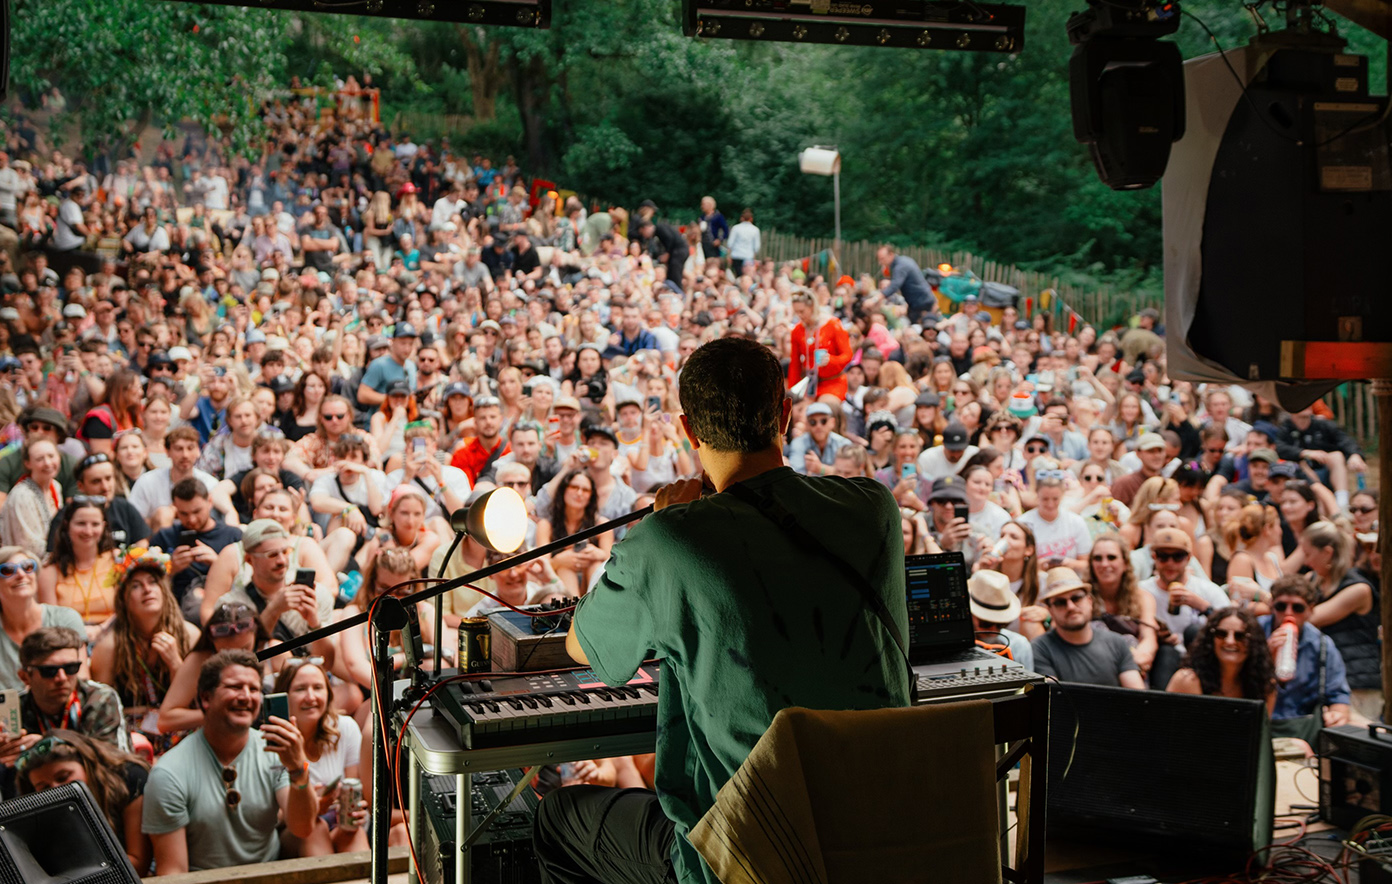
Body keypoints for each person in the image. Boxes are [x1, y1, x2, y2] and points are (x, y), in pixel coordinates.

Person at [535, 338, 911, 883]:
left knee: (557, 817)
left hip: (741, 853)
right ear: (785, 414)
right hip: (880, 835)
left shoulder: (670, 539)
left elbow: (587, 651)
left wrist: (663, 524)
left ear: (688, 431)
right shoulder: (875, 507)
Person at [141, 649, 318, 874]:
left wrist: (298, 768)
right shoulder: (169, 773)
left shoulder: (275, 751)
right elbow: (173, 870)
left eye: (254, 689)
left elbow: (303, 828)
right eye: (235, 687)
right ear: (206, 698)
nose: (246, 696)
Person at [90, 548, 199, 753]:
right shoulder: (109, 648)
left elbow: (200, 701)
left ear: (164, 590)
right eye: (136, 586)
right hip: (130, 738)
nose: (147, 590)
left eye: (153, 582)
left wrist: (175, 663)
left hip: (181, 729)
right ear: (124, 600)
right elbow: (100, 709)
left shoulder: (190, 635)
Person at [15, 729, 152, 871]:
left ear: (86, 764)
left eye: (63, 777)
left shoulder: (129, 778)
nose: (56, 790)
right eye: (44, 787)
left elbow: (138, 862)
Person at [270, 658, 367, 855]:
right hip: (295, 831)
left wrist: (355, 808)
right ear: (284, 696)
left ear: (328, 693)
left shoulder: (345, 728)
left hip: (338, 824)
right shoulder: (273, 740)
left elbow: (352, 786)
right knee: (316, 829)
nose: (311, 697)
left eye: (318, 687)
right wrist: (309, 804)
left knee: (353, 832)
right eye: (300, 689)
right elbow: (272, 815)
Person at [1300, 521, 1380, 719]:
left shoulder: (1358, 589)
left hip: (1357, 682)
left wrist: (1261, 595)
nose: (1305, 561)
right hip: (1324, 680)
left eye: (1308, 554)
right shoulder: (1312, 580)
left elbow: (1311, 618)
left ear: (1327, 552)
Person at [157, 602, 269, 738]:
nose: (237, 661)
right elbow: (166, 720)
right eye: (225, 653)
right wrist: (218, 712)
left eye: (245, 649)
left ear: (256, 633)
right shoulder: (200, 660)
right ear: (212, 640)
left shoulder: (274, 652)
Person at [1261, 575, 1355, 737]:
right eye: (1281, 606)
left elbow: (1338, 695)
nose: (1288, 613)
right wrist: (1265, 655)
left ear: (1310, 610)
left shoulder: (1322, 645)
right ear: (1271, 606)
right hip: (1260, 723)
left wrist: (1337, 714)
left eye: (1297, 608)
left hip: (1303, 728)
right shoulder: (1255, 632)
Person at [10, 628, 128, 753]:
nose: (62, 678)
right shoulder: (14, 709)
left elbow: (113, 759)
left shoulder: (100, 698)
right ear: (25, 677)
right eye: (49, 671)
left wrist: (44, 746)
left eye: (71, 668)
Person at [1029, 567, 1145, 688]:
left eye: (1076, 598)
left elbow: (1138, 697)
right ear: (1050, 611)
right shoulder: (1040, 648)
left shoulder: (1117, 643)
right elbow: (1052, 698)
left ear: (1090, 601)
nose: (1071, 607)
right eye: (1060, 602)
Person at [148, 479, 243, 613]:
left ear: (209, 502)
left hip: (224, 609)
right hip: (175, 609)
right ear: (175, 508)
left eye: (197, 511)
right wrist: (171, 569)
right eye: (184, 514)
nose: (191, 519)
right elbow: (148, 581)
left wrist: (220, 566)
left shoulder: (232, 536)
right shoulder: (164, 537)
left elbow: (247, 581)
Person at [1166, 607, 1276, 714]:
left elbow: (1260, 731)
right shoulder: (1187, 680)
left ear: (1254, 642)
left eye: (1240, 636)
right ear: (1210, 639)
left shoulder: (1265, 686)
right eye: (1221, 634)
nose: (1230, 641)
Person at [38, 498, 121, 638]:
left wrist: (100, 630)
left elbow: (125, 609)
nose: (88, 531)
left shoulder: (117, 560)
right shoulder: (49, 571)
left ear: (104, 526)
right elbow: (51, 622)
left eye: (95, 524)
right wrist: (80, 634)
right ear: (67, 525)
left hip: (112, 634)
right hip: (67, 639)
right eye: (81, 523)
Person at [1017, 475, 1093, 573]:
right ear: (1037, 495)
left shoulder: (1076, 521)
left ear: (1062, 496)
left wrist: (1069, 564)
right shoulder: (1023, 523)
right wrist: (1036, 566)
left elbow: (1086, 563)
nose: (1050, 504)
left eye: (1055, 499)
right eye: (1045, 499)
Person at [0, 439, 62, 558]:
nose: (48, 463)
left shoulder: (56, 486)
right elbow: (30, 547)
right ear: (28, 463)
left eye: (51, 456)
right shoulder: (22, 496)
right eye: (39, 459)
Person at [967, 570, 1033, 670]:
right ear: (970, 614)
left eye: (1001, 624)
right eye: (986, 623)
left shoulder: (1018, 645)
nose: (994, 631)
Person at [786, 402, 850, 475]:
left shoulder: (844, 444)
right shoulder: (798, 443)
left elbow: (850, 474)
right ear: (807, 424)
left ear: (832, 422)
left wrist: (821, 469)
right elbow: (797, 475)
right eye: (813, 422)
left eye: (823, 421)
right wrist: (833, 471)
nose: (818, 426)